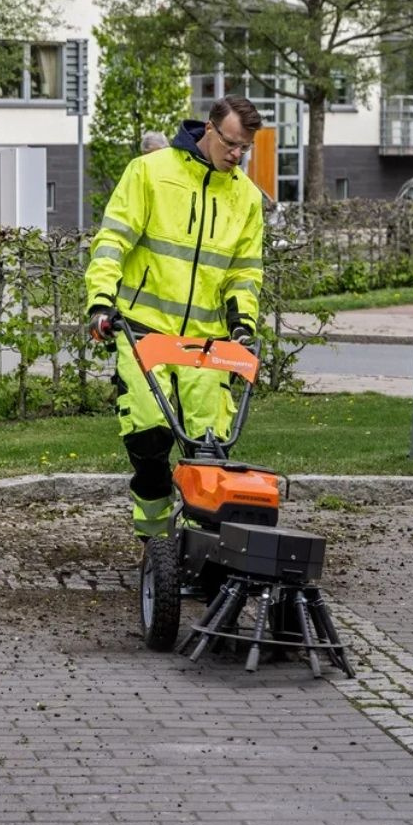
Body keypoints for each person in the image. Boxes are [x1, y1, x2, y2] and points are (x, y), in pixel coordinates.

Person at [85, 95, 264, 541]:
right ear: (209, 128)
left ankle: (198, 542)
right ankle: (154, 538)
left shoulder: (245, 197)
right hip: (143, 326)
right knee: (148, 434)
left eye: (245, 148)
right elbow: (113, 241)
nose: (236, 155)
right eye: (230, 144)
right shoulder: (149, 172)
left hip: (208, 338)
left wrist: (243, 325)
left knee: (210, 444)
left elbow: (245, 272)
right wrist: (101, 301)